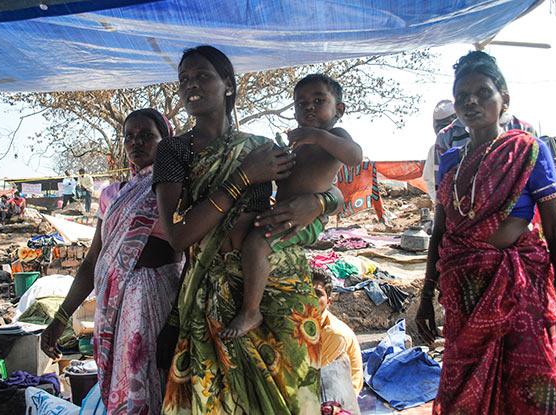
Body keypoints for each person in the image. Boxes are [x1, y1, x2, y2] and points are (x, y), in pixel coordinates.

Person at [154, 45, 344, 414]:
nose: (191, 85)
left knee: (288, 397)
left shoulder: (262, 147)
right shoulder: (173, 151)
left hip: (277, 288)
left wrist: (324, 202)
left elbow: (316, 185)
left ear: (228, 84)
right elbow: (178, 237)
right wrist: (244, 178)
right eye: (184, 80)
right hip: (213, 295)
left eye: (202, 76)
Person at [415, 51, 556, 414]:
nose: (470, 101)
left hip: (518, 296)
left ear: (504, 100)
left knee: (532, 391)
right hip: (464, 296)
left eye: (482, 92)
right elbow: (441, 231)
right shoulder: (450, 160)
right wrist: (425, 296)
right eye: (461, 95)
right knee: (462, 395)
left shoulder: (529, 151)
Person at [40, 108, 183, 413]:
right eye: (129, 136)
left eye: (147, 135)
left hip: (158, 304)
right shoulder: (112, 195)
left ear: (166, 140)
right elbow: (93, 260)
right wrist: (61, 316)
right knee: (126, 388)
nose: (136, 142)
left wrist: (177, 320)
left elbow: (190, 254)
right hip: (114, 310)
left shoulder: (178, 187)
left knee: (160, 385)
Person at [221, 73, 362, 338]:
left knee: (256, 244)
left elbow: (355, 157)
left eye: (318, 100)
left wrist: (319, 137)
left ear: (339, 109)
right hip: (282, 212)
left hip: (306, 220)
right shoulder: (296, 145)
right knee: (247, 231)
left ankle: (251, 311)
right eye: (301, 102)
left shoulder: (334, 135)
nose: (308, 106)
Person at [313, 270, 362, 415]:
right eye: (306, 292)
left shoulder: (334, 333)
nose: (311, 298)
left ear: (329, 301)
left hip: (337, 401)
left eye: (317, 294)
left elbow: (322, 380)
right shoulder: (305, 323)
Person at [423, 100, 456, 201]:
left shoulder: (472, 143)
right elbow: (429, 179)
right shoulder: (433, 150)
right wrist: (439, 202)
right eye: (438, 127)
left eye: (445, 126)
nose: (441, 131)